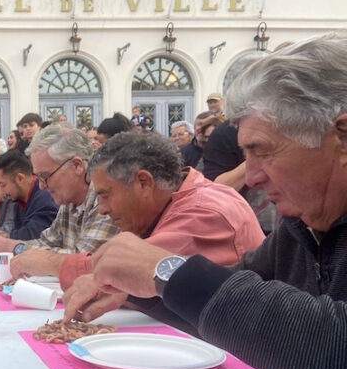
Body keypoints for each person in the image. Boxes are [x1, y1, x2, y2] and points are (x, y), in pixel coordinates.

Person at [70, 33, 347, 369]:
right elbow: (231, 293)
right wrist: (145, 288)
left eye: (262, 151)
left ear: (341, 137)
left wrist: (164, 271)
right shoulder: (302, 225)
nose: (250, 175)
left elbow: (338, 349)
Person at [59, 130, 265, 321]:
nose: (102, 209)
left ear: (144, 183)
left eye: (105, 195)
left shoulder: (205, 213)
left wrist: (45, 262)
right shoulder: (181, 200)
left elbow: (119, 268)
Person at [0, 125, 119, 279]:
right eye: (38, 177)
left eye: (45, 176)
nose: (41, 185)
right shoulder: (68, 200)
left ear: (77, 165)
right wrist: (20, 249)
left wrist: (12, 246)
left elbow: (85, 261)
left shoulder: (105, 198)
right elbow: (47, 241)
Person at [0, 149, 58, 257]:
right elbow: (17, 232)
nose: (1, 191)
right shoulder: (19, 199)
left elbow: (32, 236)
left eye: (3, 185)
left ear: (20, 178)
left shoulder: (45, 198)